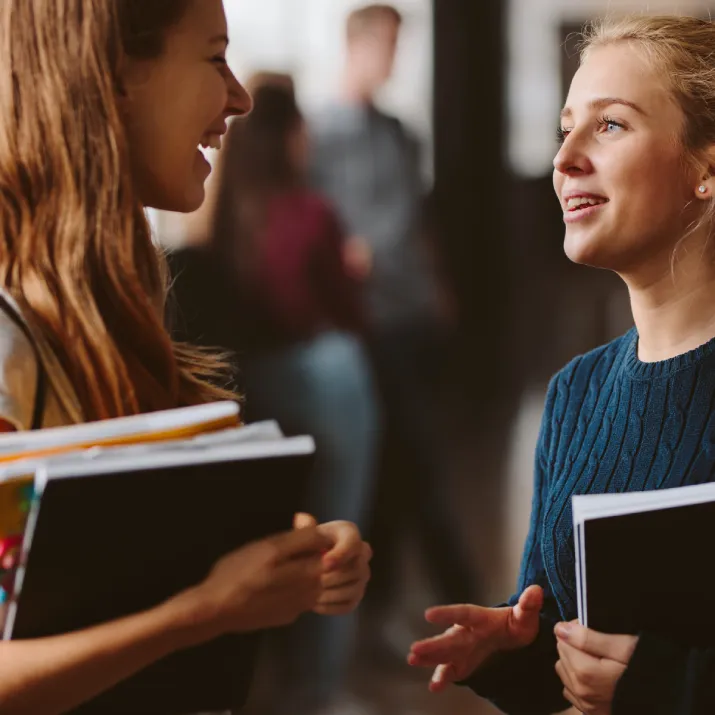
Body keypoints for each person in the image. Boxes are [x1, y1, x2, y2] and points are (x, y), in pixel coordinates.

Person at [0, 1, 371, 714]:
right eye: (212, 56)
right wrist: (204, 609)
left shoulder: (100, 311)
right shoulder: (10, 335)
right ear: (112, 74)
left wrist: (284, 561)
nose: (238, 96)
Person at [408, 14, 715, 715]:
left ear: (704, 164)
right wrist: (510, 648)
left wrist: (668, 688)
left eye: (609, 125)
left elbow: (638, 679)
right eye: (564, 128)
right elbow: (562, 638)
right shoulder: (574, 392)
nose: (564, 157)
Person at [171, 79, 379, 715]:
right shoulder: (311, 211)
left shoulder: (219, 215)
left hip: (247, 385)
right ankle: (317, 692)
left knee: (267, 535)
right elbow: (348, 314)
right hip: (325, 374)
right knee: (339, 534)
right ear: (291, 137)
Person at [309, 2, 475, 633]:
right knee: (413, 460)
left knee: (402, 465)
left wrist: (439, 288)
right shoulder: (317, 133)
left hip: (414, 314)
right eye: (386, 45)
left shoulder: (400, 132)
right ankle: (466, 598)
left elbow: (419, 219)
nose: (394, 60)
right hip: (365, 323)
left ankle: (385, 609)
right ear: (358, 46)